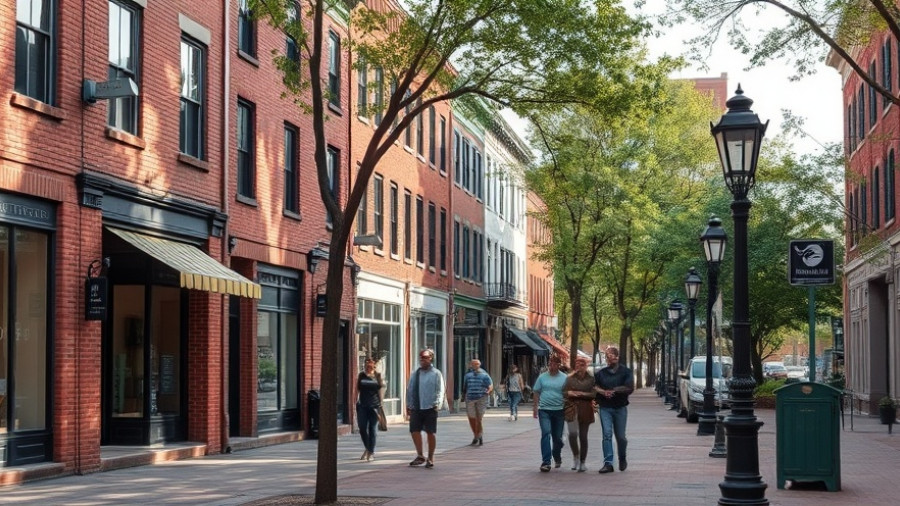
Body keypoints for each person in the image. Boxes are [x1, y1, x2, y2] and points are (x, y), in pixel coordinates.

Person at [593, 346, 634, 473]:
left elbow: (629, 388)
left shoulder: (626, 372)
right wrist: (602, 392)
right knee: (607, 435)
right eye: (608, 356)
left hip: (620, 407)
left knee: (621, 437)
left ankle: (622, 457)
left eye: (612, 356)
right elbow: (594, 386)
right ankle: (608, 463)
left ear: (617, 357)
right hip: (605, 407)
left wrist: (614, 390)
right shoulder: (601, 373)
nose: (609, 358)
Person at [406, 348, 445, 469]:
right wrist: (409, 404)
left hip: (430, 407)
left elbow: (440, 390)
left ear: (430, 358)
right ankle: (420, 455)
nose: (422, 360)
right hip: (417, 407)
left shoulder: (436, 373)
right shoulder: (415, 374)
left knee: (430, 432)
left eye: (425, 357)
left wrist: (437, 404)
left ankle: (431, 457)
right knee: (414, 431)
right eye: (421, 358)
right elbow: (410, 389)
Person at [532, 355, 567, 472]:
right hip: (545, 410)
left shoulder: (564, 378)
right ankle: (546, 462)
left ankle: (556, 455)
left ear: (558, 365)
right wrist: (535, 408)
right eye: (550, 363)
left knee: (557, 438)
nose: (551, 365)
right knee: (546, 433)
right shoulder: (542, 377)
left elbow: (567, 393)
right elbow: (536, 391)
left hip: (559, 410)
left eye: (553, 363)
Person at [563, 356, 596, 472]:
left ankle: (583, 461)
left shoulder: (591, 379)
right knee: (572, 434)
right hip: (572, 409)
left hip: (586, 409)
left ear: (586, 366)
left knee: (583, 436)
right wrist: (569, 393)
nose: (579, 367)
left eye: (582, 365)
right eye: (577, 365)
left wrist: (581, 394)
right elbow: (564, 392)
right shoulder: (569, 378)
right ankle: (575, 456)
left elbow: (594, 394)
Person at [356, 356, 384, 462]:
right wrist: (356, 401)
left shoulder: (377, 376)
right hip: (362, 405)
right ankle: (368, 448)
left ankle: (370, 452)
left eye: (371, 363)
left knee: (372, 429)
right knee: (362, 428)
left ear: (374, 365)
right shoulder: (361, 375)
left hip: (374, 407)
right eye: (367, 363)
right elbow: (357, 389)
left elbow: (380, 391)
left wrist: (380, 406)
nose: (368, 365)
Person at [462, 358, 493, 445]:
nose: (475, 366)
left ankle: (478, 435)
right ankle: (477, 434)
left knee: (479, 418)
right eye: (473, 364)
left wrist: (488, 391)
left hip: (481, 398)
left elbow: (490, 385)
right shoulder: (468, 375)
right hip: (470, 398)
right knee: (472, 418)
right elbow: (465, 387)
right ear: (471, 365)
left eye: (477, 364)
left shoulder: (484, 375)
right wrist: (463, 396)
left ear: (479, 365)